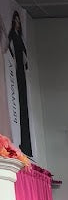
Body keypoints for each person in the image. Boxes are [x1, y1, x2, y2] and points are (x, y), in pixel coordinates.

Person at [3, 11, 32, 158]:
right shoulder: (12, 35)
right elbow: (7, 47)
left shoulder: (20, 37)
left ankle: (26, 145)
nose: (17, 23)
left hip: (21, 73)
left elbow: (25, 55)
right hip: (16, 70)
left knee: (24, 106)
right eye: (15, 20)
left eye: (18, 21)